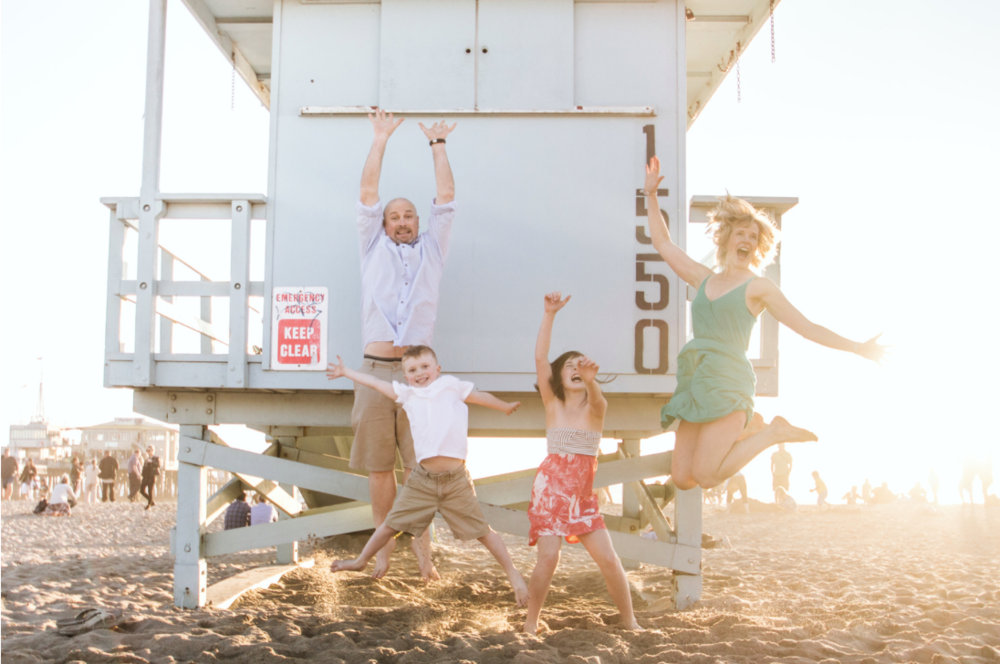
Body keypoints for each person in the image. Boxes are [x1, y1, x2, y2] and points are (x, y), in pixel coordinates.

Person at [643, 157, 886, 492]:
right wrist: (651, 196)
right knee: (683, 478)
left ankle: (772, 433)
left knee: (707, 475)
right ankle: (766, 432)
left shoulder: (759, 287)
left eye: (753, 237)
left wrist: (858, 347)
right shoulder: (704, 279)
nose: (747, 239)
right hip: (698, 378)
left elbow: (806, 326)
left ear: (757, 247)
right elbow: (663, 244)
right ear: (726, 238)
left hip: (729, 381)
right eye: (741, 232)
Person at [345, 110, 458, 580]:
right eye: (396, 216)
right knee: (379, 470)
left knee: (421, 469)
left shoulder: (433, 247)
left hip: (418, 376)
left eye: (410, 214)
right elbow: (367, 194)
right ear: (385, 224)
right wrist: (380, 140)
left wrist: (437, 145)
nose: (404, 220)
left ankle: (425, 558)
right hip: (375, 370)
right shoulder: (372, 245)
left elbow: (446, 198)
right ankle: (383, 556)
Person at [326, 346, 529, 606]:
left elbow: (479, 396)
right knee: (389, 525)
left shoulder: (451, 386)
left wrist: (504, 406)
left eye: (424, 367)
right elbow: (376, 383)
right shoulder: (407, 395)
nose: (420, 373)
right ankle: (360, 560)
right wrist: (347, 372)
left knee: (483, 531)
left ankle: (513, 573)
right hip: (422, 480)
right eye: (412, 370)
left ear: (437, 369)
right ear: (405, 376)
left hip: (456, 480)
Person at [521, 292, 642, 635]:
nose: (575, 370)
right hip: (551, 490)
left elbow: (599, 398)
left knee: (609, 560)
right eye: (569, 367)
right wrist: (549, 314)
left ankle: (630, 622)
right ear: (559, 378)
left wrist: (591, 381)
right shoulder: (552, 404)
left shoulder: (595, 408)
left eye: (581, 366)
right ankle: (531, 623)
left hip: (583, 498)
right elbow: (541, 357)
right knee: (548, 558)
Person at [139, 445, 161, 510]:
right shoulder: (146, 458)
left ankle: (149, 504)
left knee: (150, 490)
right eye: (147, 450)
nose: (148, 452)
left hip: (152, 476)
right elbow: (144, 467)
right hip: (146, 476)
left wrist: (152, 461)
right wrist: (142, 475)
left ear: (153, 450)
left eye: (149, 450)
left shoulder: (156, 457)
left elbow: (159, 465)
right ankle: (151, 502)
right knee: (142, 490)